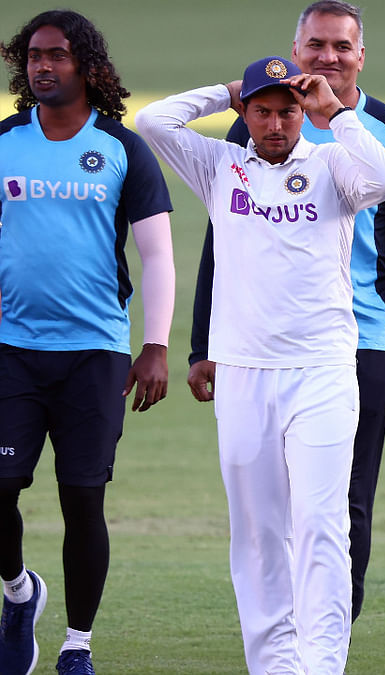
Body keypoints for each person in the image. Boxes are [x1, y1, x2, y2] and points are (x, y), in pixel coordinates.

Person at [185, 0, 385, 623]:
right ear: (295, 51)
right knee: (266, 502)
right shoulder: (256, 124)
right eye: (315, 46)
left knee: (342, 500)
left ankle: (329, 639)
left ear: (361, 56)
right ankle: (281, 636)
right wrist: (203, 343)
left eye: (341, 47)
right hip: (264, 341)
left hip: (363, 339)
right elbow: (222, 240)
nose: (328, 58)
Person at [136, 57, 385, 674]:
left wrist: (334, 113)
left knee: (320, 525)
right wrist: (225, 91)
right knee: (257, 533)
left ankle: (323, 664)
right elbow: (153, 121)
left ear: (301, 110)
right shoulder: (219, 166)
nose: (277, 123)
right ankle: (274, 666)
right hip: (243, 372)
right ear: (246, 114)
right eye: (263, 110)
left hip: (322, 370)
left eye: (287, 110)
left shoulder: (332, 160)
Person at [0, 10, 175, 675]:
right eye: (34, 56)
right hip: (12, 346)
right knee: (2, 481)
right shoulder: (5, 142)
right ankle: (19, 592)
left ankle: (77, 645)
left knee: (82, 497)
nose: (42, 66)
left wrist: (153, 345)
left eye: (58, 56)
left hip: (95, 352)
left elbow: (157, 254)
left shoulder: (122, 149)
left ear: (88, 67)